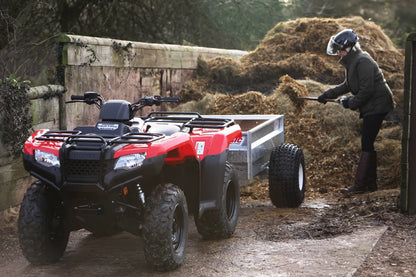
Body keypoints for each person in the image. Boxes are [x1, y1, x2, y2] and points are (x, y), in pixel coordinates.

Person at [317, 29, 394, 194]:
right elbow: (347, 86)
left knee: (366, 142)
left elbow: (367, 90)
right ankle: (370, 185)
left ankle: (360, 185)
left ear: (350, 48)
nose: (339, 52)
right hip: (372, 104)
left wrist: (350, 103)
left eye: (341, 49)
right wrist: (327, 95)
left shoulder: (362, 61)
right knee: (368, 143)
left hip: (378, 104)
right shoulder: (352, 62)